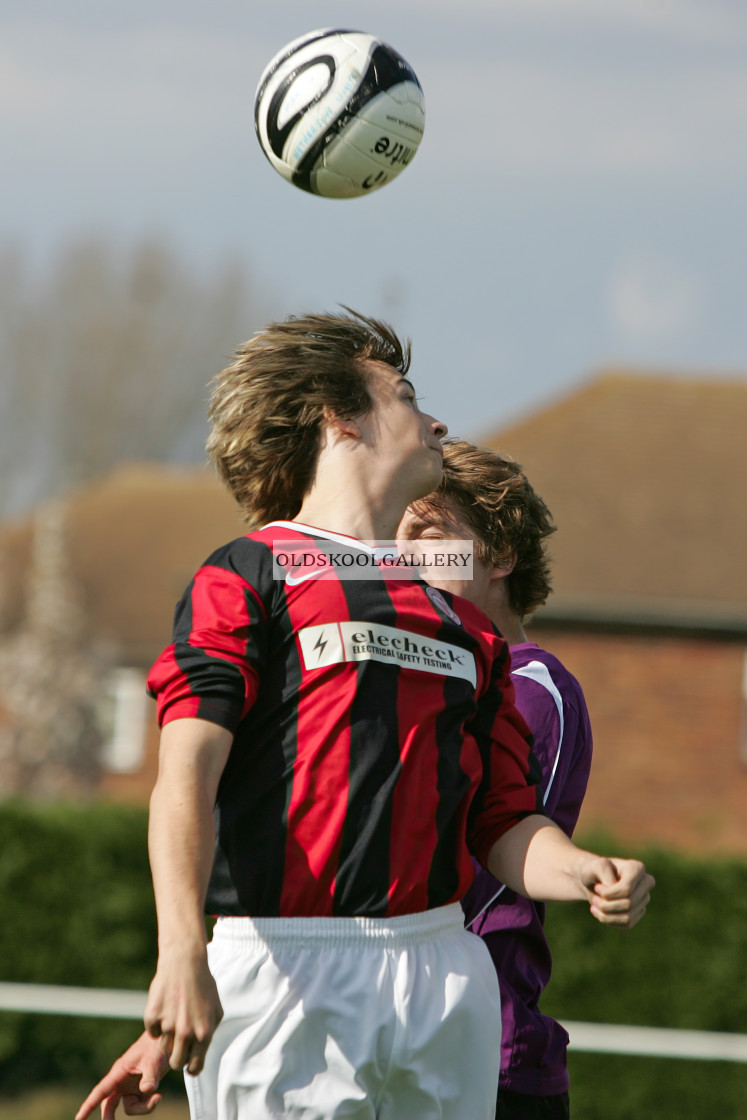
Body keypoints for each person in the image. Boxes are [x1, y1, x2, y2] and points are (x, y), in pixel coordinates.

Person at [75, 310, 653, 1120]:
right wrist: (181, 952)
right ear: (338, 417)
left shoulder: (467, 627)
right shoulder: (249, 571)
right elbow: (185, 777)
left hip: (444, 970)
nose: (438, 421)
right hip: (287, 967)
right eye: (407, 397)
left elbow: (502, 824)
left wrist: (583, 870)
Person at [399, 440, 593, 1120]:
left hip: (490, 1058)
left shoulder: (530, 689)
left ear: (500, 556)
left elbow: (475, 874)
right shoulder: (410, 684)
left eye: (428, 537)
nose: (404, 558)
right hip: (402, 1044)